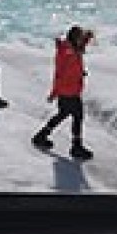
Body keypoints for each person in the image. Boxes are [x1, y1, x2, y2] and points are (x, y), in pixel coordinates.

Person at [32, 26, 94, 160]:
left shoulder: (70, 48)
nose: (81, 40)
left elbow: (78, 52)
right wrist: (54, 92)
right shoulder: (68, 53)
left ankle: (41, 136)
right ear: (74, 38)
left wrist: (87, 37)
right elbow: (60, 74)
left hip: (68, 91)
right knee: (77, 116)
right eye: (80, 37)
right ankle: (76, 147)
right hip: (68, 92)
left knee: (63, 114)